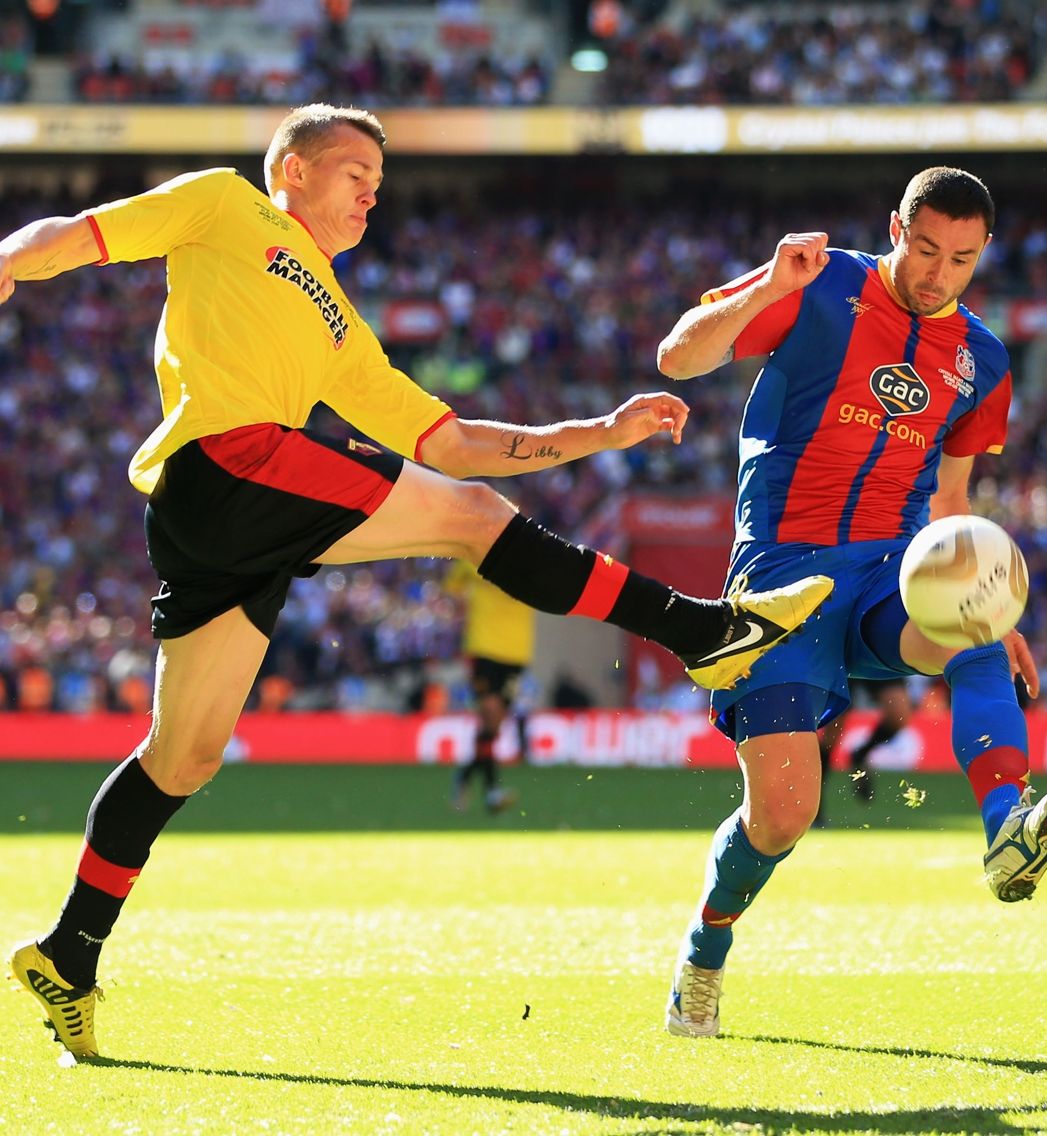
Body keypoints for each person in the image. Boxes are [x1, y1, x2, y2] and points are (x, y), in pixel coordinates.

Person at [0, 103, 833, 1061]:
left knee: (181, 758)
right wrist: (11, 258)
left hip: (226, 529)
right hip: (227, 463)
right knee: (470, 518)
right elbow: (85, 232)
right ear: (294, 169)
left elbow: (453, 441)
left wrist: (599, 432)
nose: (371, 196)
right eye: (355, 174)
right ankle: (700, 631)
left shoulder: (338, 323)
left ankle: (69, 953)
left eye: (379, 186)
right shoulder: (226, 206)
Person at [656, 167, 1047, 1039]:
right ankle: (705, 952)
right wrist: (767, 286)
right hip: (781, 576)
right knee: (783, 817)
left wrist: (995, 606)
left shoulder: (982, 359)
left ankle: (1007, 825)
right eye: (924, 249)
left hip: (892, 566)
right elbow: (678, 358)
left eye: (960, 259)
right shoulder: (818, 281)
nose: (937, 273)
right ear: (896, 227)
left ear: (983, 254)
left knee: (971, 618)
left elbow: (951, 501)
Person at [445, 558, 533, 813]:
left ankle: (466, 777)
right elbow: (451, 590)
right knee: (491, 710)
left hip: (516, 653)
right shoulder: (472, 557)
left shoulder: (533, 558)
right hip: (482, 648)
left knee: (492, 726)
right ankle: (492, 790)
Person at [814, 676, 916, 825]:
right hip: (841, 663)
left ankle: (861, 754)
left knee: (898, 715)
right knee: (832, 729)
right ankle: (815, 805)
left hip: (878, 660)